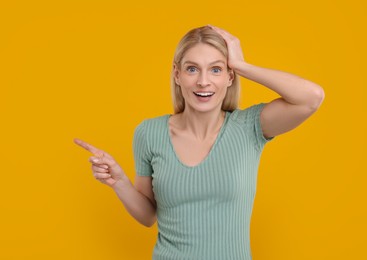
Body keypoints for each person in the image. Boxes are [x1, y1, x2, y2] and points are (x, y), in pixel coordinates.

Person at [74, 25, 324, 259]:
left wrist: (241, 65)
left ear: (229, 77)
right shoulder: (149, 133)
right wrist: (119, 182)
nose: (203, 81)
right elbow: (149, 215)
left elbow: (311, 97)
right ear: (177, 74)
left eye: (215, 69)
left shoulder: (249, 127)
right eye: (192, 69)